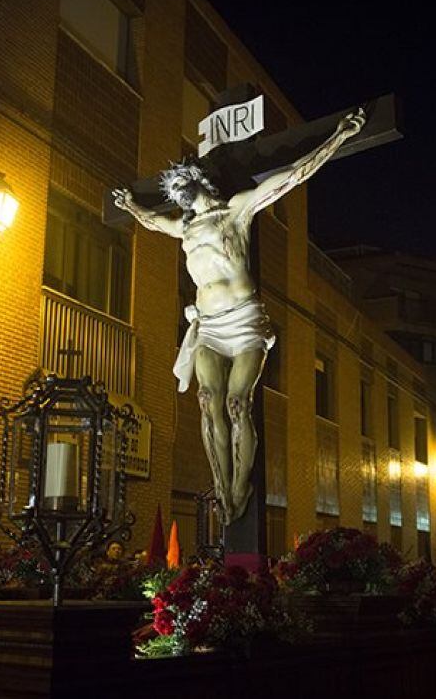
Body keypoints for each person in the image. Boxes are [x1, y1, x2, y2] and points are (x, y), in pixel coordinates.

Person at [113, 108, 365, 523]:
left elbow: (293, 176)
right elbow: (152, 221)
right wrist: (131, 204)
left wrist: (337, 137)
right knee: (207, 399)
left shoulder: (236, 211)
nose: (176, 193)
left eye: (180, 184)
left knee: (236, 403)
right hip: (209, 327)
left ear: (197, 180)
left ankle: (239, 485)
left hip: (245, 322)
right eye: (173, 190)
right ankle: (222, 490)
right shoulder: (186, 228)